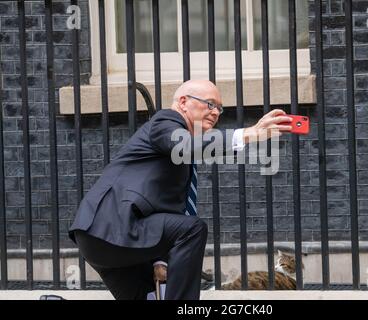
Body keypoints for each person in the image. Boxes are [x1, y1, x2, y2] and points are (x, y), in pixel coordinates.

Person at [68, 79, 292, 300]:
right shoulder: (165, 122)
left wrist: (160, 260)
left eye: (219, 108)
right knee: (192, 229)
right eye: (210, 104)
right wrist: (247, 133)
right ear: (183, 102)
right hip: (114, 227)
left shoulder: (181, 153)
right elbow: (184, 145)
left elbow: (164, 211)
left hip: (102, 239)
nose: (216, 112)